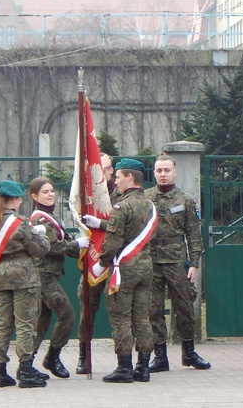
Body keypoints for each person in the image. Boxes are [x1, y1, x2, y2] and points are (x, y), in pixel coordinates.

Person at [0, 180, 51, 388]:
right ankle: (26, 370)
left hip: (1, 275)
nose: (21, 202)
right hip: (23, 276)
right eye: (19, 198)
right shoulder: (19, 223)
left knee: (3, 324)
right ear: (12, 200)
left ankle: (0, 372)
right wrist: (42, 236)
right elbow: (39, 250)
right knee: (26, 324)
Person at [145, 154, 210, 373]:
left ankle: (189, 352)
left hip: (176, 261)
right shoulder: (146, 199)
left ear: (174, 172)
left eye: (166, 170)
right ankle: (160, 356)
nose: (162, 174)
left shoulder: (185, 200)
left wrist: (194, 263)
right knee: (153, 308)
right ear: (154, 173)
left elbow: (193, 234)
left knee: (184, 307)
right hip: (151, 260)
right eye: (158, 171)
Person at [96, 158, 158, 383]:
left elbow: (113, 242)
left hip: (124, 269)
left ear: (130, 178)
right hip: (145, 266)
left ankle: (124, 367)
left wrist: (101, 261)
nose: (117, 181)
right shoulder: (151, 205)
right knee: (142, 317)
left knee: (121, 318)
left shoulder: (121, 206)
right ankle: (143, 367)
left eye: (119, 176)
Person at [28, 178, 90, 379]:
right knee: (67, 315)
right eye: (45, 192)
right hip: (43, 276)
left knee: (41, 323)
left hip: (49, 275)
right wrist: (76, 245)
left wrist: (85, 250)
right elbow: (52, 248)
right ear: (34, 196)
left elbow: (64, 242)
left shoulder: (52, 218)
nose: (50, 194)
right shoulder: (40, 220)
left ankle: (26, 364)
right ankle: (52, 357)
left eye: (52, 191)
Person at [76, 153, 122, 374]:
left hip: (118, 259)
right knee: (87, 308)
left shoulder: (122, 193)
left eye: (103, 169)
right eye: (95, 170)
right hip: (95, 257)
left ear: (111, 171)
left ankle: (124, 360)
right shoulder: (88, 196)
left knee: (121, 311)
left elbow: (123, 225)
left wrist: (101, 223)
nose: (99, 174)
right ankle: (83, 356)